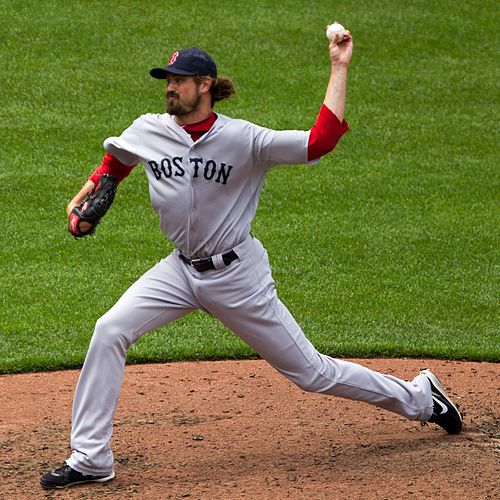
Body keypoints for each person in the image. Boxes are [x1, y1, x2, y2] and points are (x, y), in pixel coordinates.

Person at [40, 27, 462, 489]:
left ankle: (421, 398)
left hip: (238, 277)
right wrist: (89, 199)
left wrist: (339, 67)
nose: (169, 87)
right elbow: (117, 161)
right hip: (179, 271)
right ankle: (91, 457)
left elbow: (320, 140)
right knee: (110, 329)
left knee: (312, 373)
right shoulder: (149, 129)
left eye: (179, 80)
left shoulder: (246, 140)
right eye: (167, 79)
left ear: (204, 85)